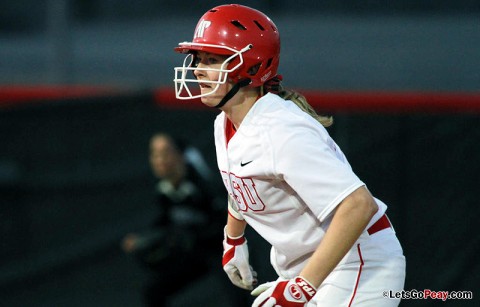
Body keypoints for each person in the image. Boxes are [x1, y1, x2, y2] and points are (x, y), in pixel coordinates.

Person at [173, 4, 406, 307]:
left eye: (213, 59)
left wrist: (302, 287)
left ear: (252, 68)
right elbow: (241, 182)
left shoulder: (282, 131)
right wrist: (233, 239)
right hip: (312, 265)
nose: (197, 69)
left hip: (359, 264)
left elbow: (357, 206)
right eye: (199, 58)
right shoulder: (225, 122)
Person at [121, 132, 224, 307]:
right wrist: (142, 240)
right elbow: (165, 222)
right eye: (154, 154)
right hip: (192, 257)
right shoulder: (163, 191)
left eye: (165, 152)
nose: (159, 160)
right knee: (153, 292)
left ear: (181, 155)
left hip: (221, 256)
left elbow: (223, 221)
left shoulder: (204, 187)